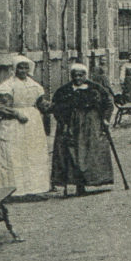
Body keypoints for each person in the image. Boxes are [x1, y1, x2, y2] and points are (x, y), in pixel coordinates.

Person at [49, 62, 115, 195]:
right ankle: (78, 184)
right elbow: (56, 107)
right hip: (71, 124)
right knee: (71, 152)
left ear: (86, 75)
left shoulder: (96, 88)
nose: (78, 78)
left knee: (91, 151)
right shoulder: (64, 90)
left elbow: (108, 103)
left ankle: (92, 180)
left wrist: (106, 119)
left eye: (81, 75)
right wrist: (62, 122)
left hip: (92, 124)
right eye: (75, 75)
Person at [0, 56, 53, 195]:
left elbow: (40, 103)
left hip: (33, 123)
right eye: (20, 67)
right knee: (14, 154)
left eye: (26, 67)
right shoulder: (7, 86)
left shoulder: (34, 85)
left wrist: (51, 106)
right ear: (14, 68)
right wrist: (16, 114)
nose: (23, 70)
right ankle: (15, 189)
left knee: (33, 153)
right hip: (14, 124)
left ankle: (35, 188)